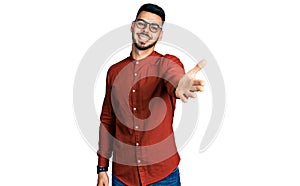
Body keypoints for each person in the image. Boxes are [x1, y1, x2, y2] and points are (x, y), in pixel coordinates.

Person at [97, 3, 205, 186]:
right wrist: (102, 168)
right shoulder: (114, 72)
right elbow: (108, 121)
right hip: (123, 176)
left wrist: (180, 85)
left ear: (160, 34)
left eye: (154, 27)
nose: (146, 30)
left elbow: (174, 76)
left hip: (163, 176)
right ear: (132, 26)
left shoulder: (166, 63)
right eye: (142, 24)